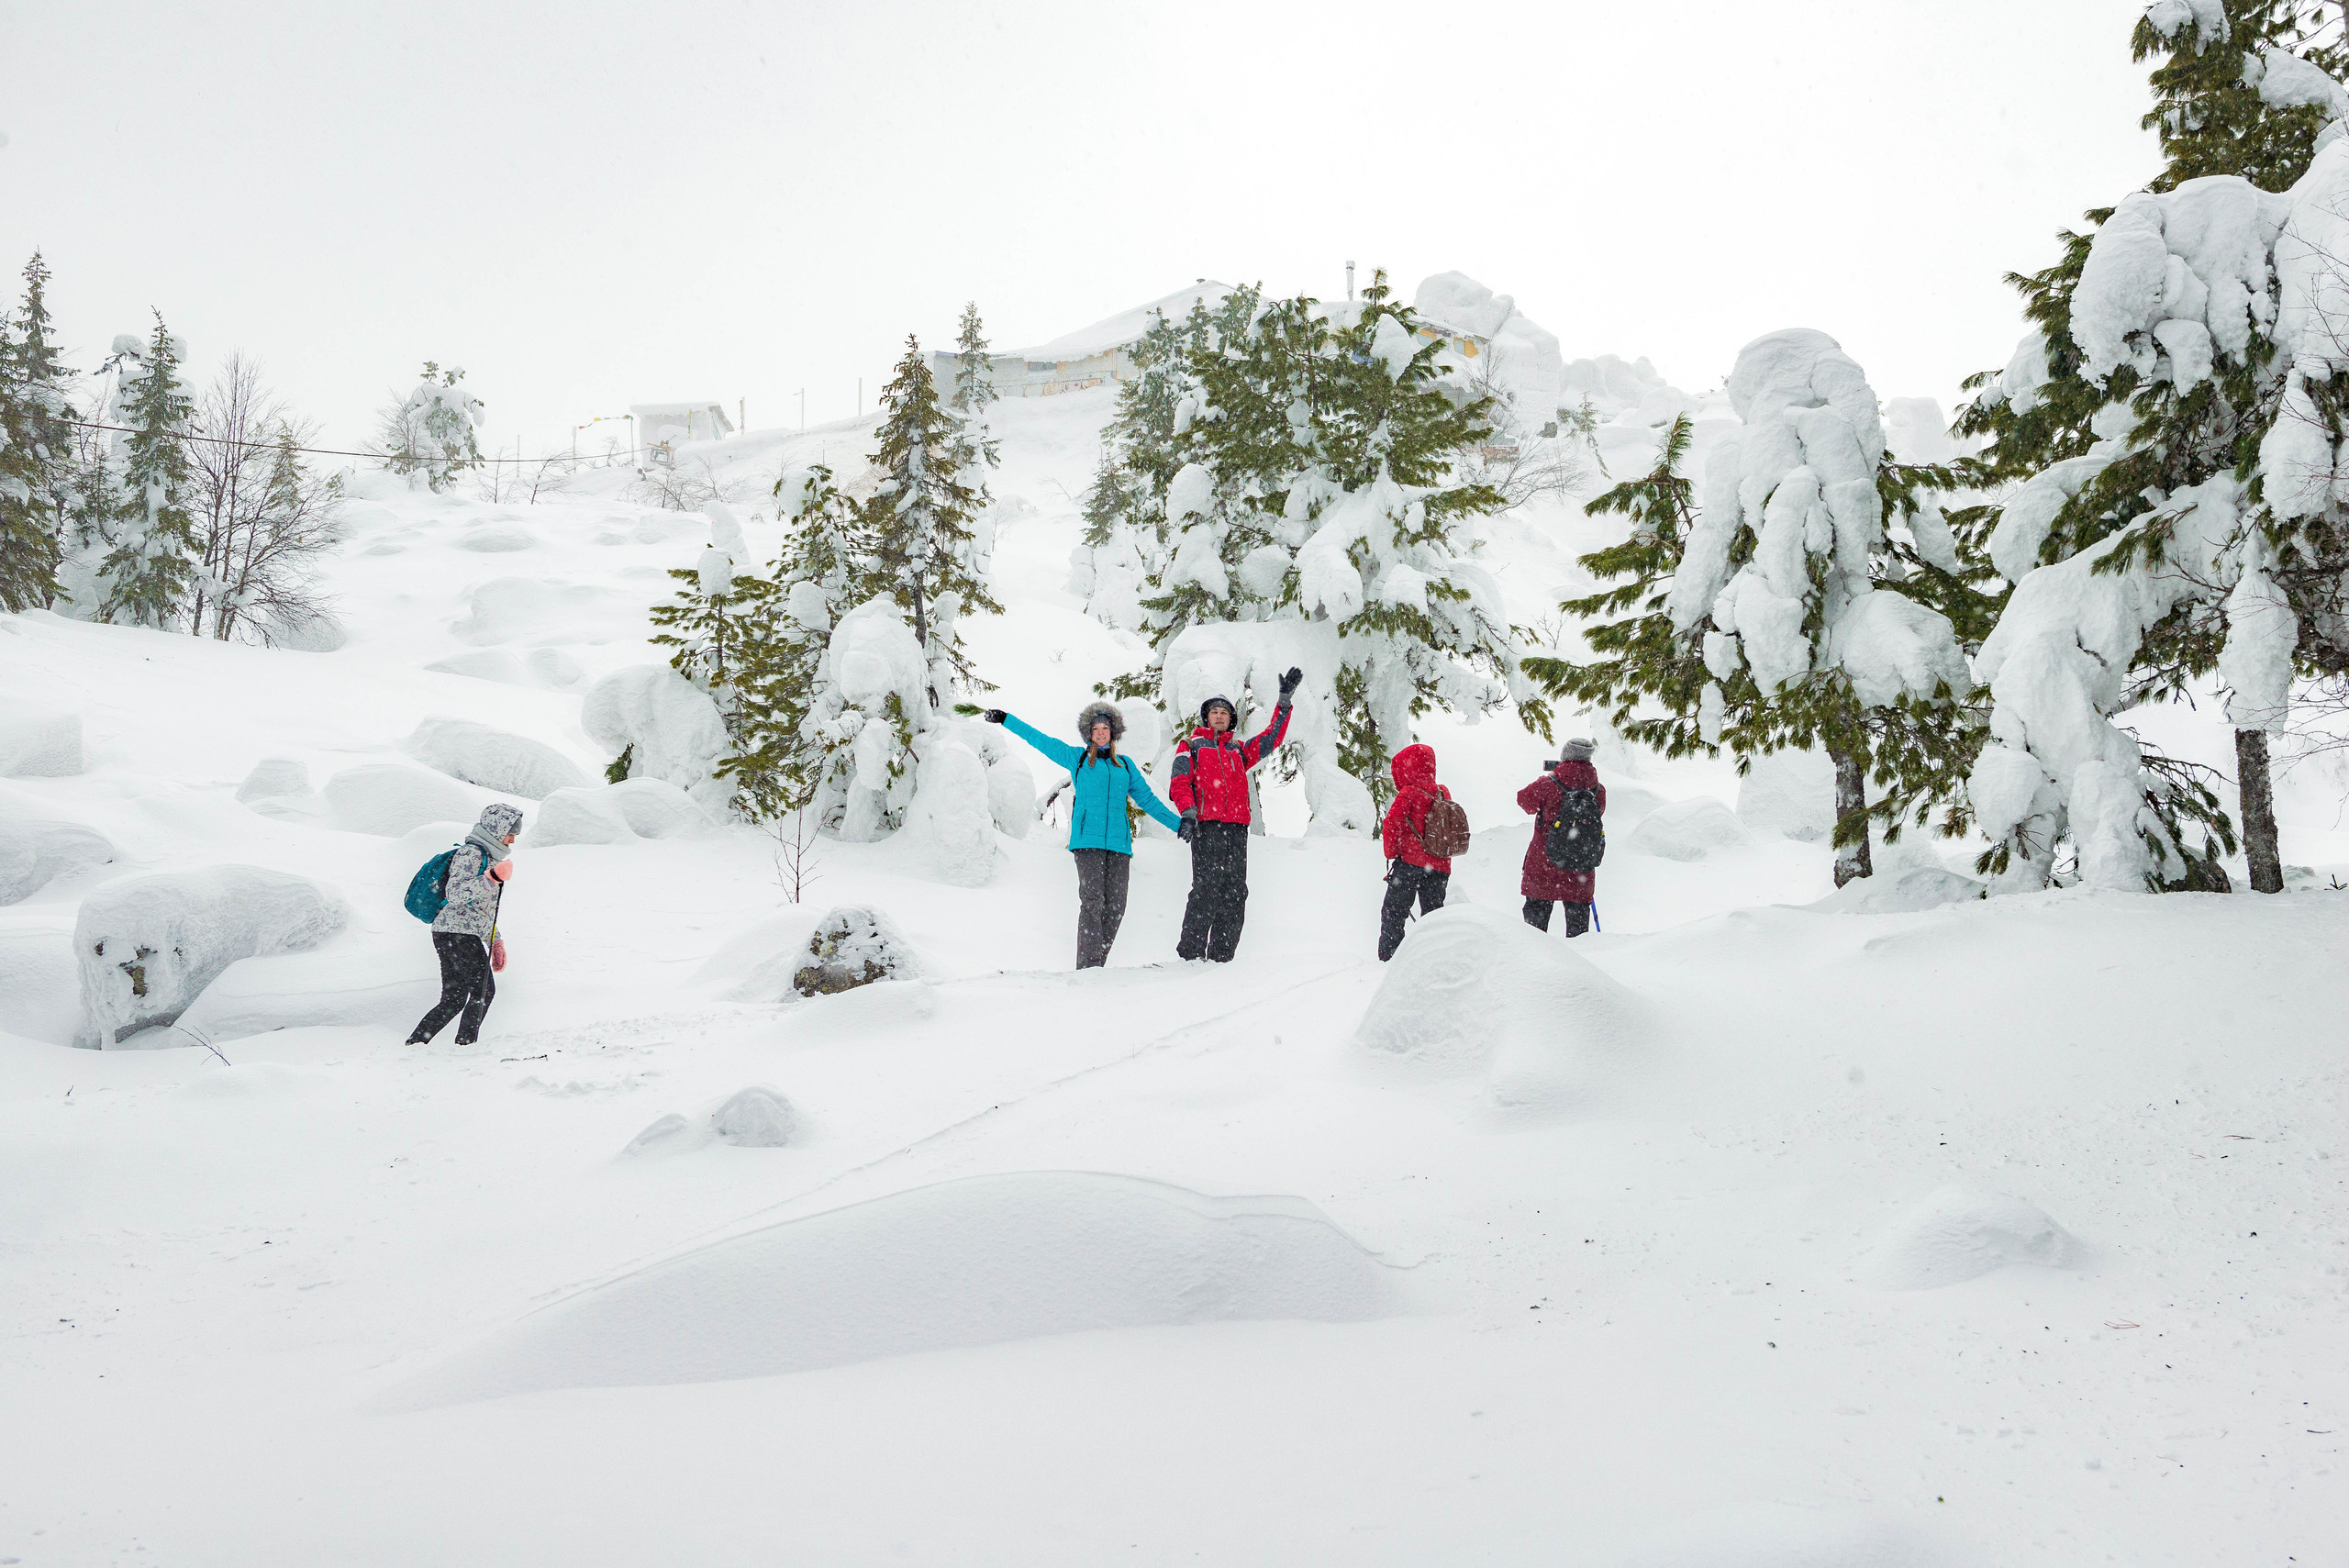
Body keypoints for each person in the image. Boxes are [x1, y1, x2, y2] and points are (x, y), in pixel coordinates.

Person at [986, 699, 1183, 969]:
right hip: (1086, 842)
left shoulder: (1125, 766)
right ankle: (1089, 967)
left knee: (1116, 907)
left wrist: (1179, 825)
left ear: (1113, 732)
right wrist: (1007, 719)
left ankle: (1097, 964)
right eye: (1095, 728)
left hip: (1119, 845)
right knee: (1092, 902)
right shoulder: (1077, 759)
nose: (1100, 732)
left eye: (1105, 728)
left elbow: (1148, 801)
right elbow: (1040, 740)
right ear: (1088, 733)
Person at [1166, 667, 1301, 962]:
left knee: (1235, 892)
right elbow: (1179, 781)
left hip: (1237, 829)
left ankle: (1222, 957)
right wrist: (1188, 813)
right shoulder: (1191, 745)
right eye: (1214, 712)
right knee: (1205, 889)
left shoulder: (1239, 750)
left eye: (1224, 713)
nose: (1219, 716)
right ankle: (1189, 955)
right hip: (1207, 827)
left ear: (1231, 720)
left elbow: (1272, 738)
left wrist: (1284, 703)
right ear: (1206, 718)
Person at [407, 803, 524, 1046]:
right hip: (456, 932)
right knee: (483, 992)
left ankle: (415, 1045)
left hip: (456, 932)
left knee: (454, 998)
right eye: (510, 832)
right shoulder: (471, 854)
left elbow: (479, 911)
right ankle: (464, 1048)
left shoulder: (489, 858)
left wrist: (496, 940)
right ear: (496, 829)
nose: (512, 839)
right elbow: (456, 893)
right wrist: (492, 878)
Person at [1518, 738, 1606, 936]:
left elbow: (1524, 802)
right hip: (1580, 868)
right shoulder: (1598, 790)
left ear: (1565, 756)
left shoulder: (1547, 784)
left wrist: (1550, 778)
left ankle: (1533, 964)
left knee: (1534, 935)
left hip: (1544, 865)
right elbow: (1598, 814)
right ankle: (1579, 964)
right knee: (1579, 935)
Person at [1377, 743, 1456, 961]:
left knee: (1393, 912)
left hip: (1410, 865)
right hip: (1440, 866)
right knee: (1433, 917)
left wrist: (1391, 852)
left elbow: (1391, 824)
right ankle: (1433, 959)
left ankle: (1390, 960)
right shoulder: (1443, 791)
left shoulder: (1408, 793)